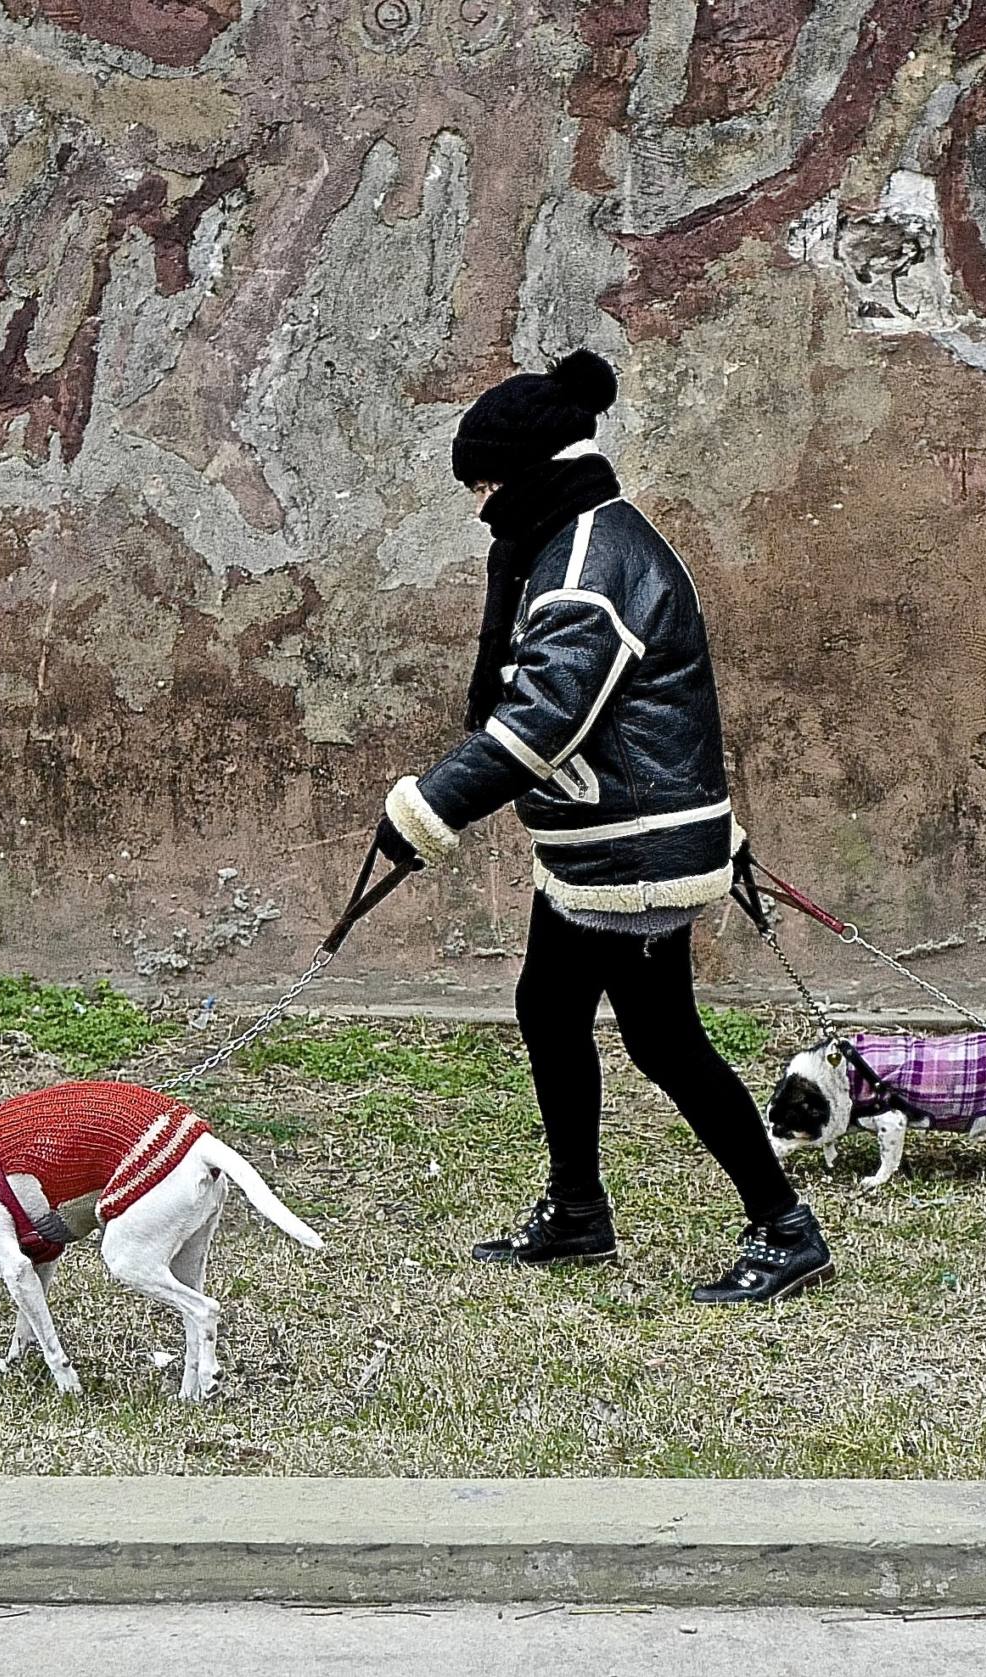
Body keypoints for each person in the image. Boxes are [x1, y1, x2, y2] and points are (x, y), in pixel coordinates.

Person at [371, 348, 832, 1305]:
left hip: (635, 852)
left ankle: (785, 1226)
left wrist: (426, 810)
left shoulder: (588, 562)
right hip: (600, 846)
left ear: (533, 473)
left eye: (486, 483)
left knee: (664, 1041)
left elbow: (543, 719)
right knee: (548, 1010)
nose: (478, 505)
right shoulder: (581, 537)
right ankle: (579, 1212)